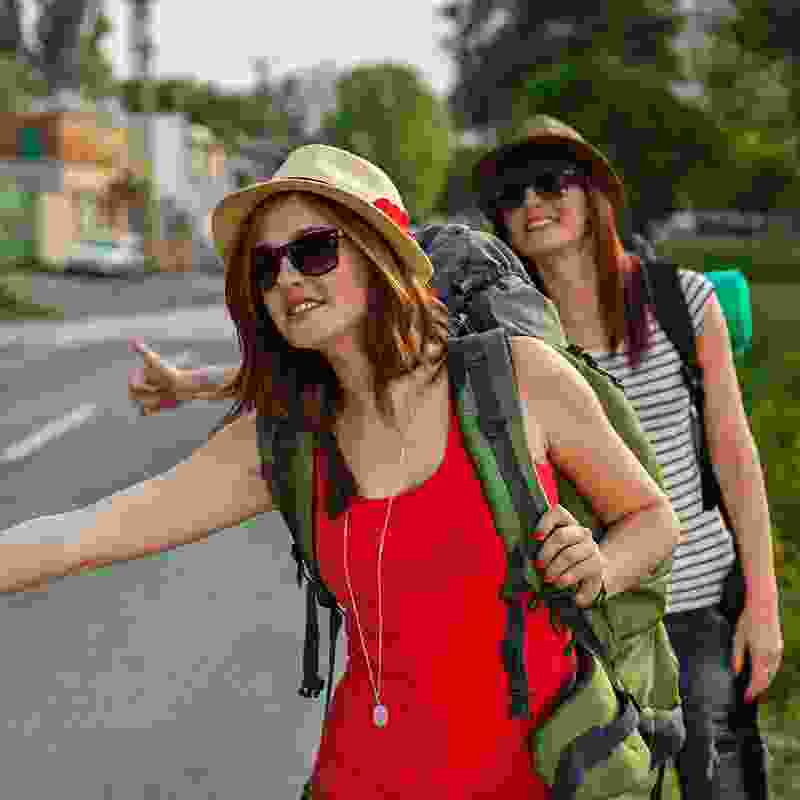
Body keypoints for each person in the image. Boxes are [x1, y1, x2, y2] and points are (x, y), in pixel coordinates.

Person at [4, 144, 682, 799]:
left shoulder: (515, 378)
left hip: (535, 776)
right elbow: (94, 530)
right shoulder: (284, 439)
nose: (288, 278)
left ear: (378, 252)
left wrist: (600, 566)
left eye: (314, 250)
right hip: (359, 778)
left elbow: (651, 519)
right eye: (265, 267)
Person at [471, 116, 782, 800]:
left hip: (696, 604)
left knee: (718, 781)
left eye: (550, 183)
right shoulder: (501, 339)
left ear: (594, 196)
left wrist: (763, 602)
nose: (531, 205)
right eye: (513, 195)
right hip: (586, 619)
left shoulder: (681, 301)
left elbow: (735, 456)